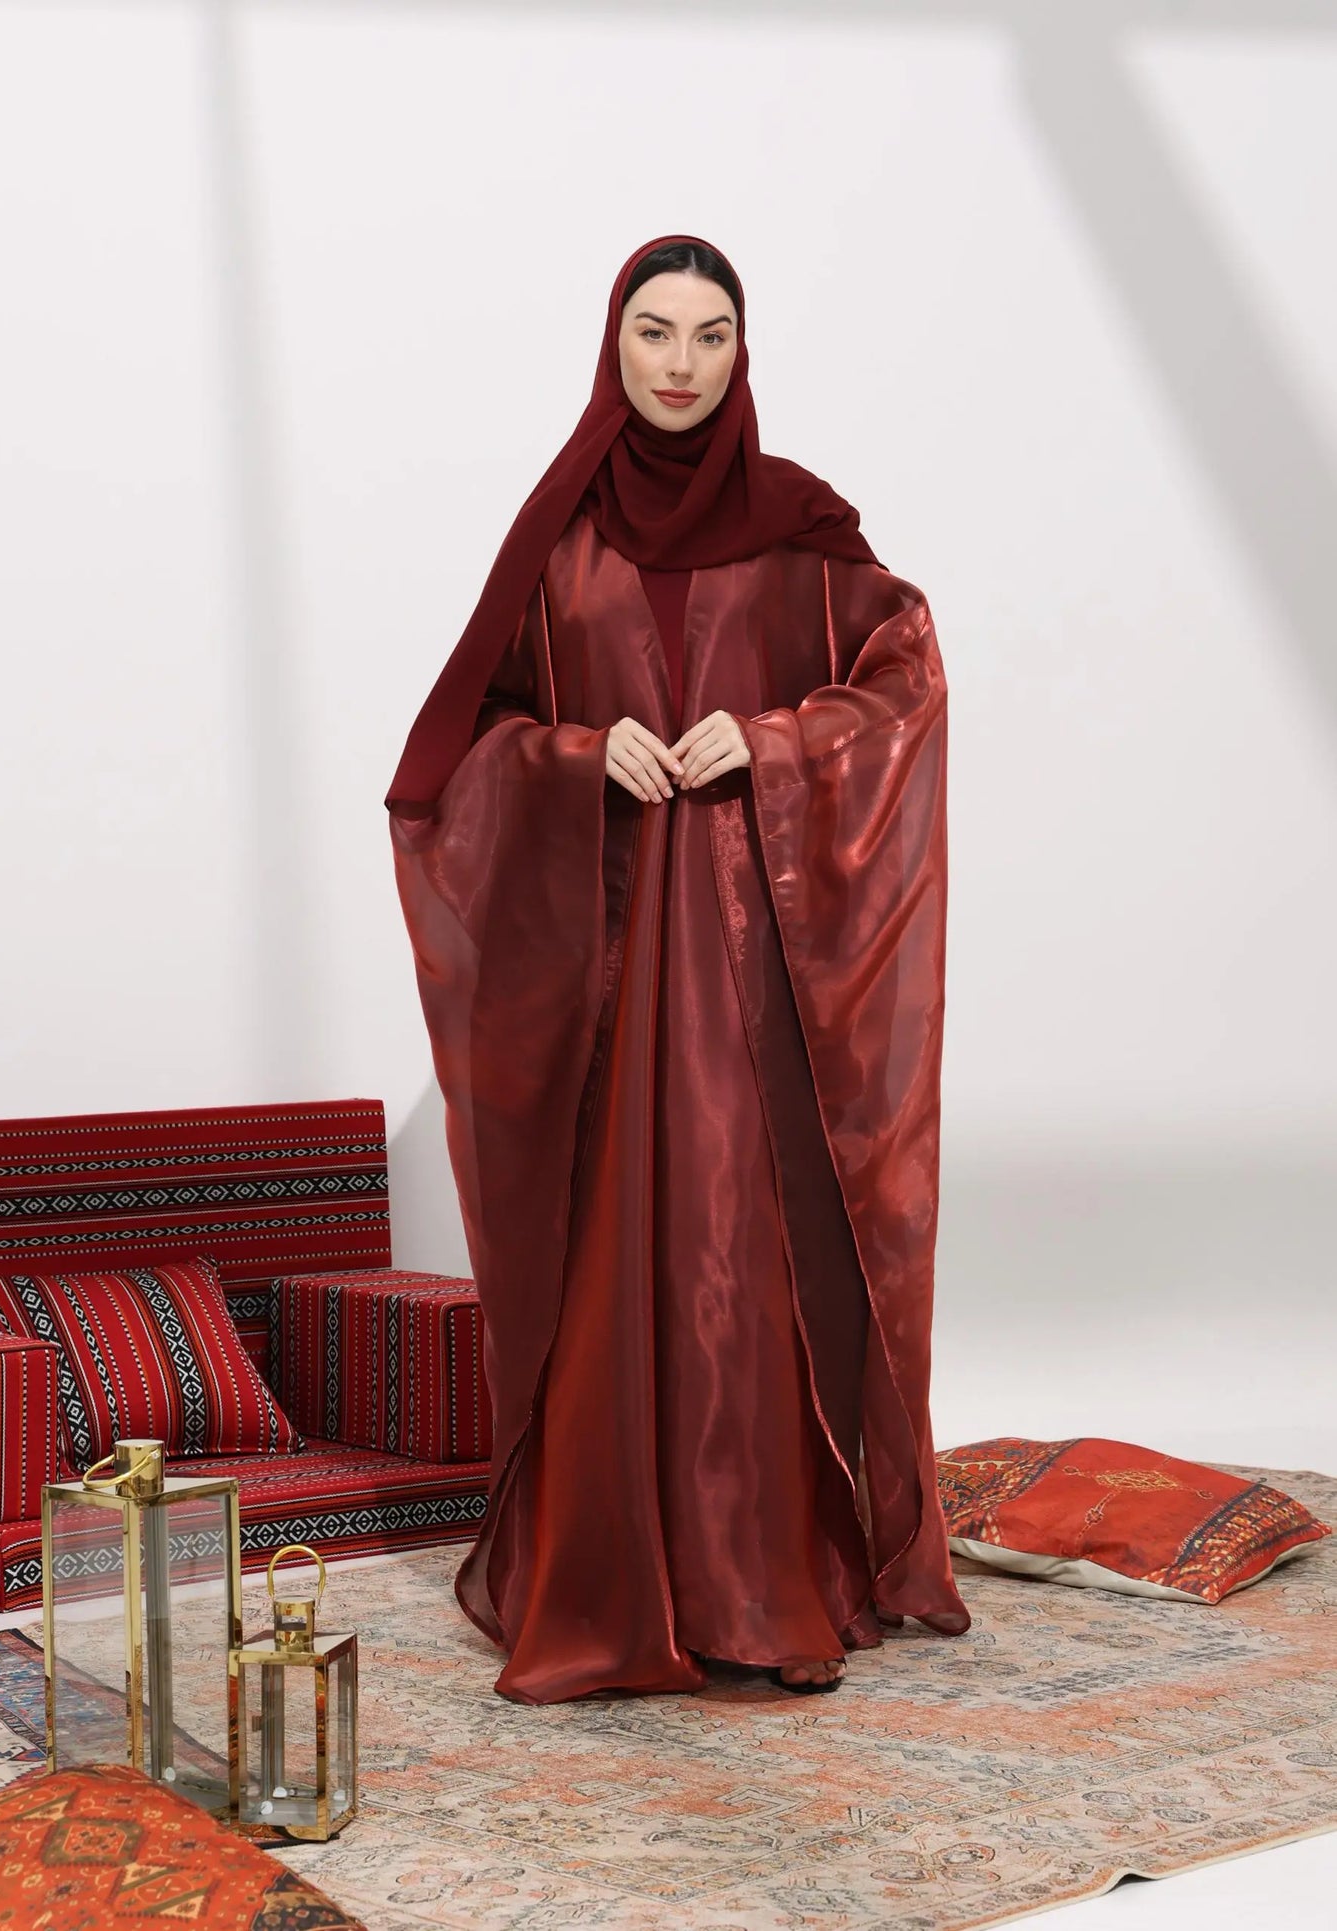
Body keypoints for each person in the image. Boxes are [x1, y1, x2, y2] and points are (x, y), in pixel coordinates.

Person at [385, 233, 972, 1706]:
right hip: (606, 985)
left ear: (741, 354)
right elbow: (457, 756)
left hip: (758, 978)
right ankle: (611, 1583)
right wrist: (579, 756)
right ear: (614, 343)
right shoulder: (558, 543)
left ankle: (768, 1586)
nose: (680, 363)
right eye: (655, 331)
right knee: (621, 1254)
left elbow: (902, 687)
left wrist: (769, 741)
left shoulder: (799, 535)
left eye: (711, 336)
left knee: (745, 1251)